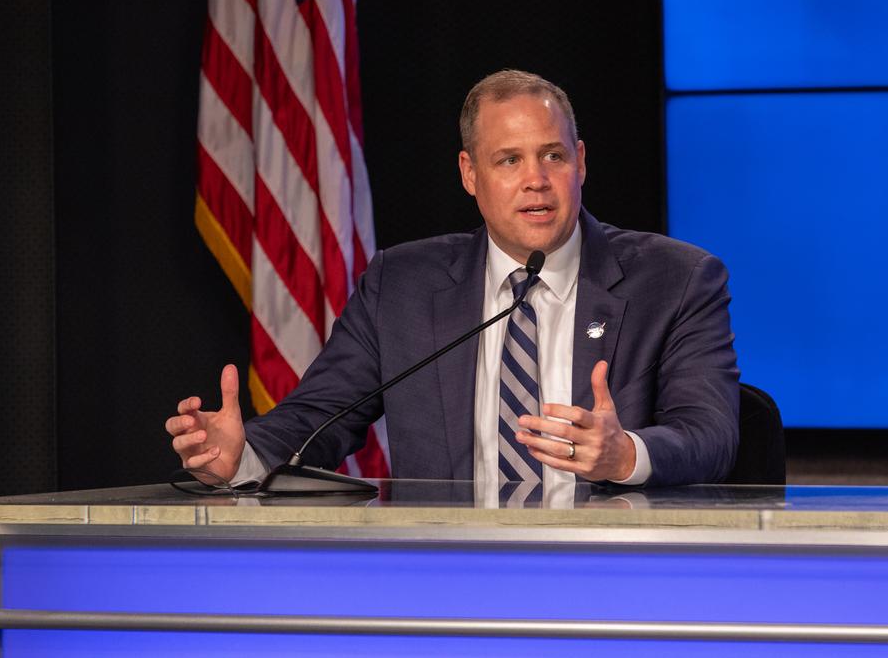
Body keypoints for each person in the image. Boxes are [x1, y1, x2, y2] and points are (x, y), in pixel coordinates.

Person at [166, 70, 740, 492]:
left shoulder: (677, 280)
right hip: (446, 577)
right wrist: (241, 456)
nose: (536, 181)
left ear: (581, 163)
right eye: (509, 160)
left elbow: (711, 433)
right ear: (470, 173)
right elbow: (321, 415)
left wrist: (624, 454)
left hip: (610, 576)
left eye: (553, 157)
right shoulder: (402, 286)